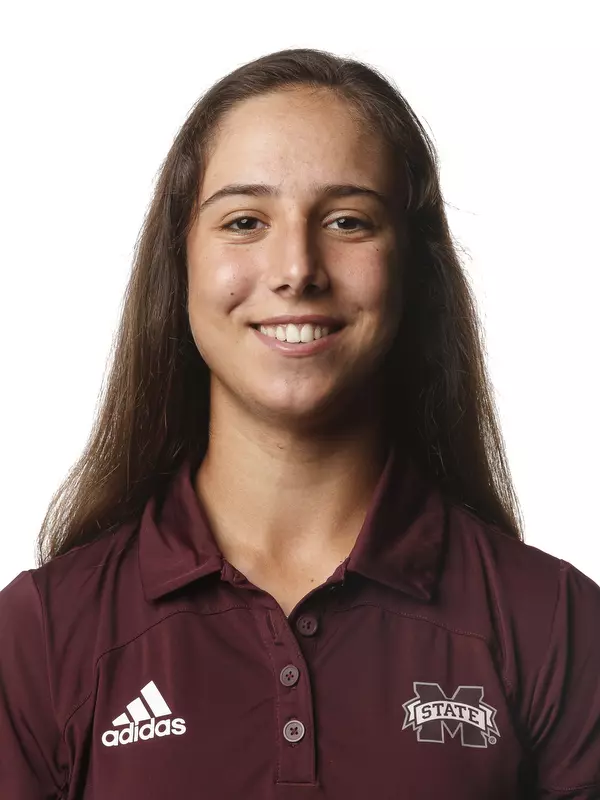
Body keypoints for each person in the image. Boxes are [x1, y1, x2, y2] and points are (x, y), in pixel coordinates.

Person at [0, 47, 598, 800]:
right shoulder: (42, 633)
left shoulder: (556, 623)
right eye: (245, 220)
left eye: (349, 221)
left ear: (412, 267)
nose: (296, 268)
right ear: (178, 264)